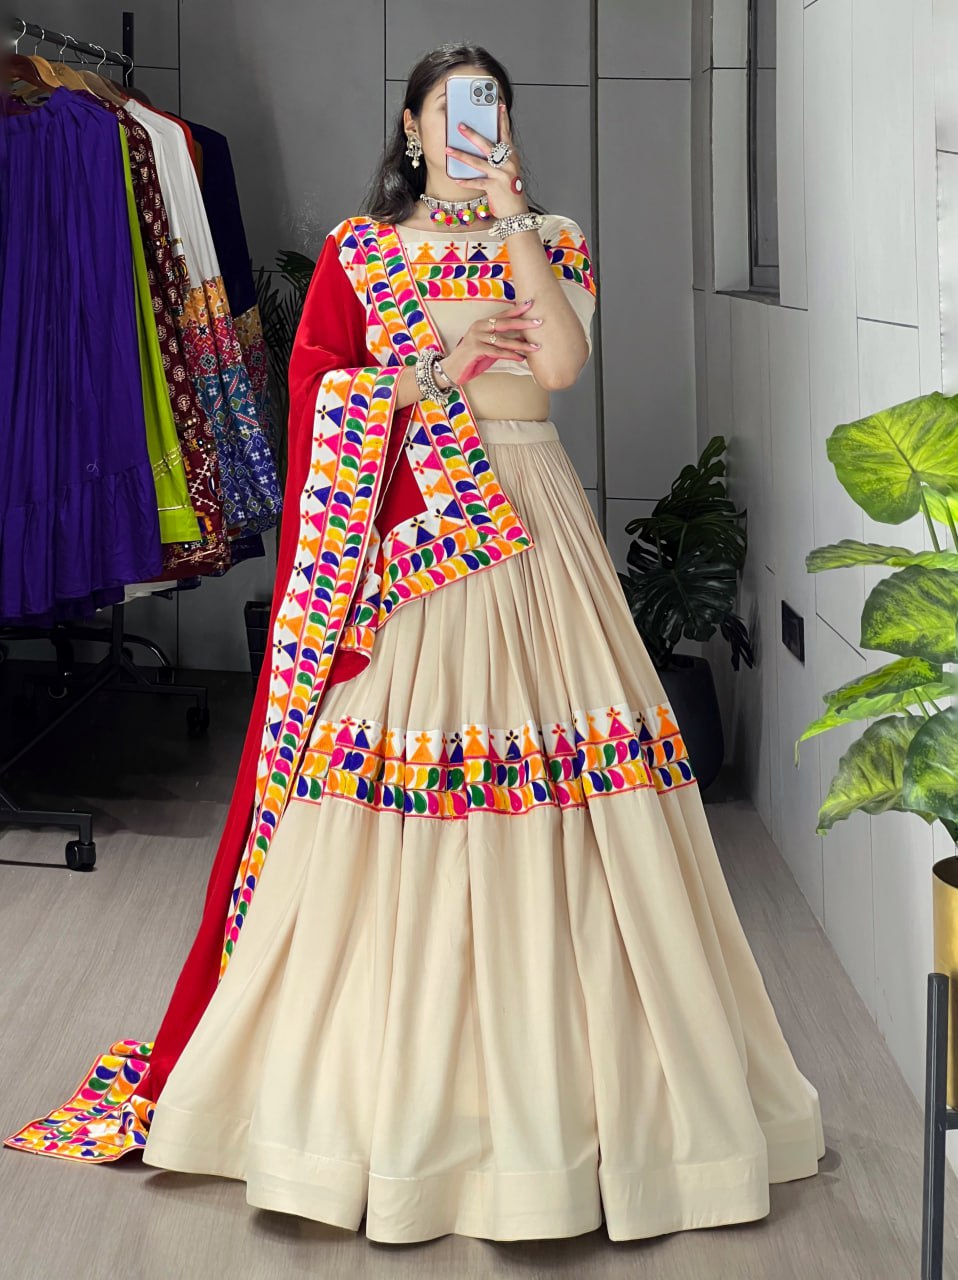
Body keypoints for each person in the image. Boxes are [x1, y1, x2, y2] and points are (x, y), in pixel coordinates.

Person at [5, 43, 825, 1245]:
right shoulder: (360, 252)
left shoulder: (550, 237)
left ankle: (580, 1108)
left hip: (534, 528)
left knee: (583, 794)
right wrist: (436, 367)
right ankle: (382, 1101)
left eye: (489, 107)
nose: (468, 127)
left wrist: (514, 217)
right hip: (415, 550)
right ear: (410, 128)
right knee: (390, 802)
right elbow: (317, 396)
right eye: (449, 110)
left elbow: (559, 366)